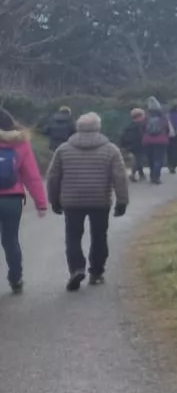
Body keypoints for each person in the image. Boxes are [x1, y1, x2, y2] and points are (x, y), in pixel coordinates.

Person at [45, 112, 129, 291]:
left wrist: (54, 200)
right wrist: (122, 201)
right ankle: (96, 272)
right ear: (98, 127)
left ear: (77, 127)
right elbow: (120, 177)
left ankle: (76, 268)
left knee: (73, 236)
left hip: (72, 201)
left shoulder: (63, 149)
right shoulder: (110, 149)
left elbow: (53, 176)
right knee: (99, 236)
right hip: (100, 200)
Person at [0, 108, 52, 295]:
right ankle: (16, 278)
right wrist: (41, 203)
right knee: (11, 240)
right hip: (12, 199)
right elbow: (31, 176)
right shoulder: (20, 142)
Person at [140, 96, 173, 184]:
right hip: (161, 141)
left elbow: (142, 129)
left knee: (151, 159)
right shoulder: (163, 117)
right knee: (158, 159)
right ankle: (156, 176)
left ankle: (152, 175)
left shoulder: (146, 117)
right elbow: (167, 129)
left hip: (148, 141)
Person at [118, 108, 146, 180]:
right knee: (139, 159)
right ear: (139, 116)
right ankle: (133, 174)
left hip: (129, 145)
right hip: (139, 145)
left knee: (137, 159)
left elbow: (122, 136)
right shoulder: (141, 125)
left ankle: (141, 173)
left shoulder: (129, 126)